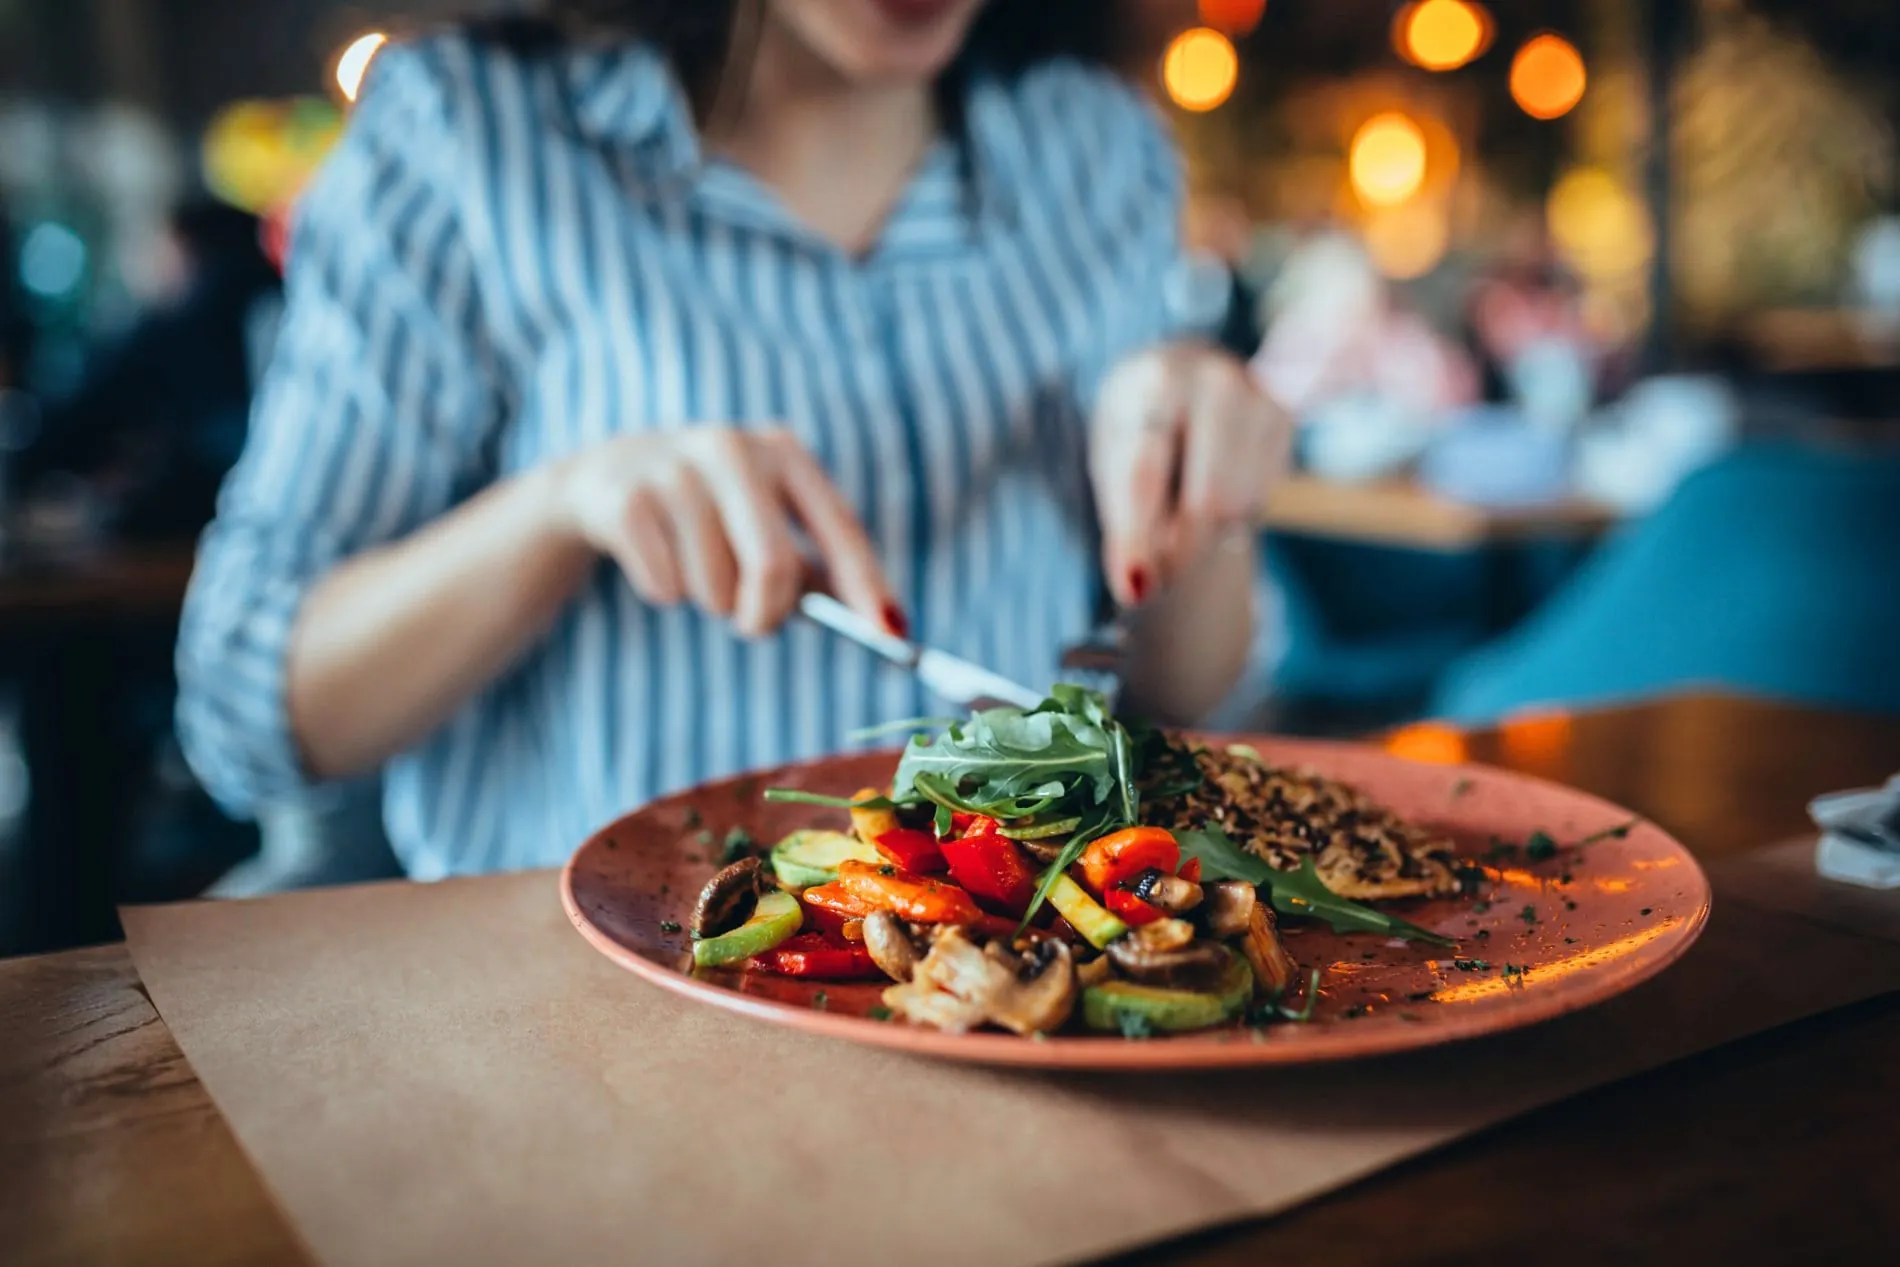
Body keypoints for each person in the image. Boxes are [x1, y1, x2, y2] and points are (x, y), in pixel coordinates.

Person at [176, 0, 1291, 879]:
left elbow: (1186, 693)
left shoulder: (1101, 147)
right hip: (588, 1023)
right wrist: (562, 506)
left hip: (1024, 1003)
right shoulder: (470, 132)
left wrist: (1205, 497)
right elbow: (243, 712)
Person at [13, 199, 281, 539]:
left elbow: (85, 411)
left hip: (201, 523)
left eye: (160, 250)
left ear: (188, 249)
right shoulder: (281, 306)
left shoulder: (181, 324)